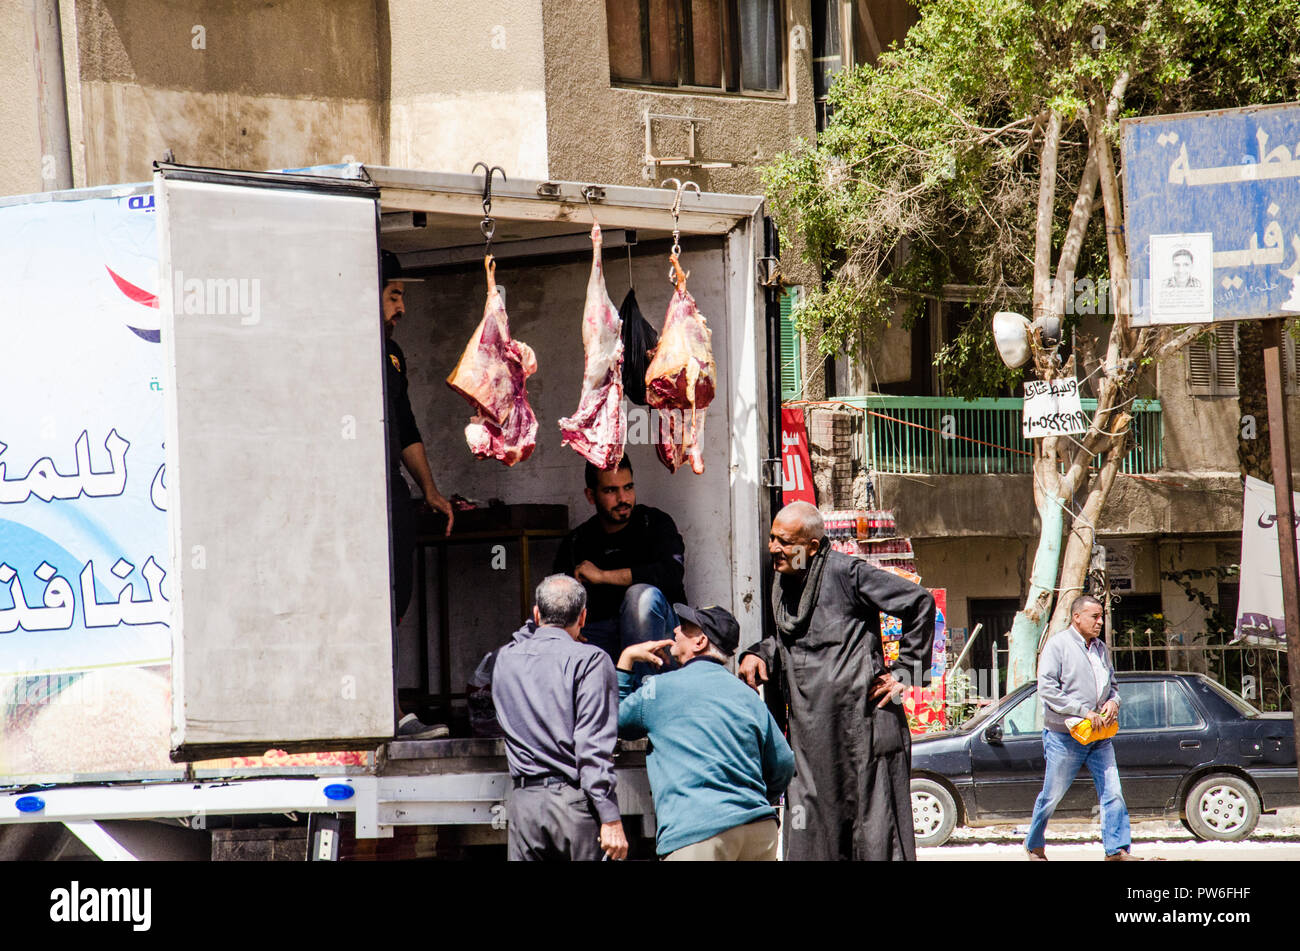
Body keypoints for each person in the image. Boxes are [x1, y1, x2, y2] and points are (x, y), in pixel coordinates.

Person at [738, 501, 935, 861]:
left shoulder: (848, 573)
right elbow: (787, 640)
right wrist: (758, 653)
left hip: (862, 729)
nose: (773, 549)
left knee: (872, 833)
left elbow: (919, 602)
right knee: (811, 832)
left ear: (812, 547)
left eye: (784, 541)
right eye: (771, 539)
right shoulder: (782, 580)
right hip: (811, 736)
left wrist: (905, 671)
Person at [616, 603, 795, 861]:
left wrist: (627, 659)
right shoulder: (747, 694)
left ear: (700, 642)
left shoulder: (660, 689)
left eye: (685, 627)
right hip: (758, 830)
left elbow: (614, 723)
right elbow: (785, 762)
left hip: (698, 833)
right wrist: (750, 799)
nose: (675, 630)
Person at [491, 574, 628, 861]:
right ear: (584, 616)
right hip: (572, 805)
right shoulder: (590, 660)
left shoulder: (506, 658)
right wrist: (609, 815)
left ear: (536, 613)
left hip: (524, 805)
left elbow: (524, 634)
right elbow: (592, 744)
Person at [382, 250, 455, 741]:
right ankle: (381, 710)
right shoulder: (341, 350)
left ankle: (388, 705)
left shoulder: (393, 356)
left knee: (398, 597)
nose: (401, 307)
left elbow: (405, 426)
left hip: (391, 491)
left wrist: (429, 489)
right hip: (350, 498)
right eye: (393, 296)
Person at [1024, 594, 1138, 861]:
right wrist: (1082, 710)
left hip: (1099, 736)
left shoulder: (1100, 648)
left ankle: (1117, 850)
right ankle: (1034, 844)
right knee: (1051, 795)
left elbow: (1114, 685)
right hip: (1065, 736)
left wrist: (1113, 702)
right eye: (1094, 617)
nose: (1100, 622)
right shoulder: (1058, 646)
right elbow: (1047, 690)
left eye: (1101, 617)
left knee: (1113, 792)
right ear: (1077, 617)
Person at [552, 456, 686, 668]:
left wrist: (603, 576)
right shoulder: (578, 540)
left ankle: (644, 694)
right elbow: (556, 597)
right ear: (591, 495)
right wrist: (566, 627)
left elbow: (671, 575)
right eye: (610, 491)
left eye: (628, 487)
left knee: (641, 597)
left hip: (661, 639)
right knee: (544, 630)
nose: (623, 498)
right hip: (603, 639)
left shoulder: (654, 523)